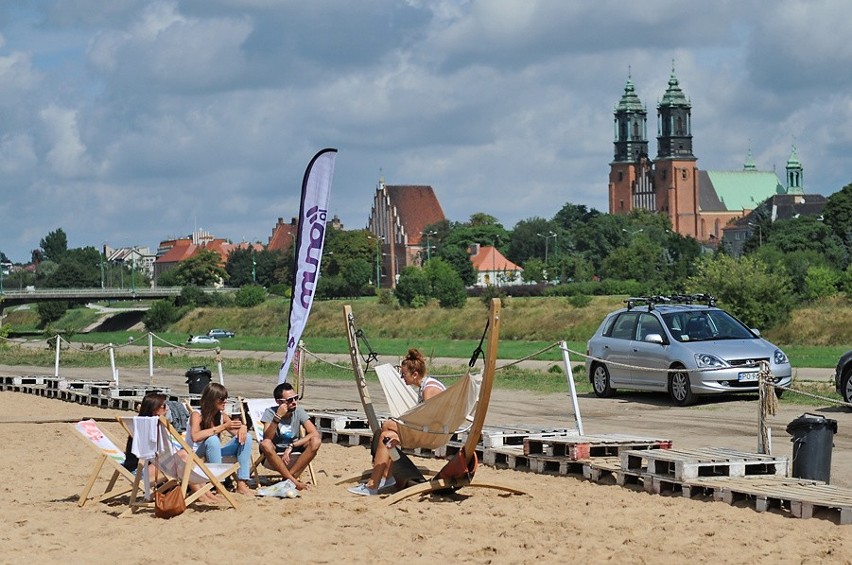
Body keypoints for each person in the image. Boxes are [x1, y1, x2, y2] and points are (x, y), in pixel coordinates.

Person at [348, 348, 445, 496]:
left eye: (404, 374)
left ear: (415, 374)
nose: (401, 377)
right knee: (386, 434)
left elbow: (429, 419)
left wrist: (403, 430)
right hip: (428, 430)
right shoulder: (427, 385)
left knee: (386, 428)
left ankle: (376, 482)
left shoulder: (429, 389)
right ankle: (385, 478)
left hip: (431, 433)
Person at [188, 383, 253, 495]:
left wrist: (243, 427)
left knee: (247, 438)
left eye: (226, 399)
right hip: (196, 455)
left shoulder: (221, 415)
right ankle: (219, 485)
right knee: (213, 440)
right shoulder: (197, 415)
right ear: (211, 399)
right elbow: (195, 437)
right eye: (221, 399)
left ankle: (241, 483)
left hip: (213, 452)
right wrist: (222, 427)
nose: (225, 402)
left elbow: (236, 431)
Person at [259, 382, 321, 491]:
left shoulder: (299, 411)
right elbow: (267, 438)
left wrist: (292, 445)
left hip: (294, 450)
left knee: (315, 441)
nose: (294, 402)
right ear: (279, 402)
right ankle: (292, 480)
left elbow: (314, 433)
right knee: (265, 444)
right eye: (289, 400)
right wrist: (277, 417)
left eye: (295, 398)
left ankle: (288, 478)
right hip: (274, 453)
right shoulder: (270, 412)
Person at [122, 391, 168, 473]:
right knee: (183, 467)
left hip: (140, 466)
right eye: (164, 406)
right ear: (155, 408)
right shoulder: (149, 428)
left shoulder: (139, 425)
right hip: (140, 471)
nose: (167, 409)